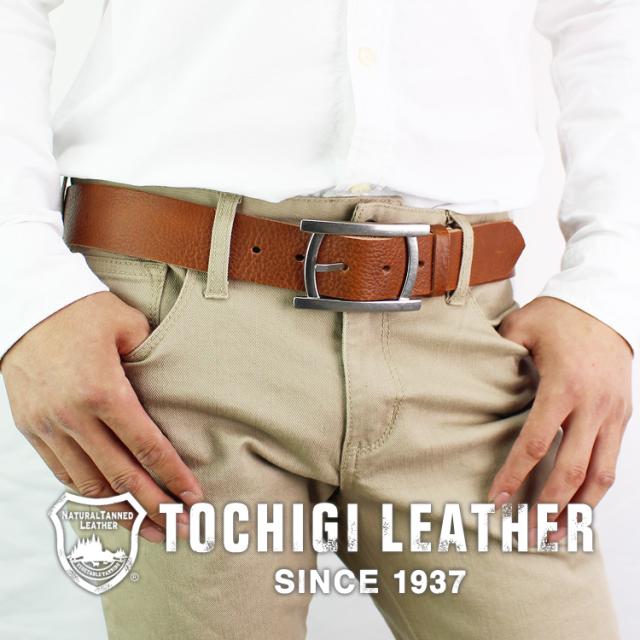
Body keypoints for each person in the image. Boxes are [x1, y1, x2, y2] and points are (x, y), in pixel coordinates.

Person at [0, 1, 636, 639]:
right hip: (177, 332)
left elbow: (605, 14)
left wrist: (607, 284)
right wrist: (26, 284)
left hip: (467, 337)